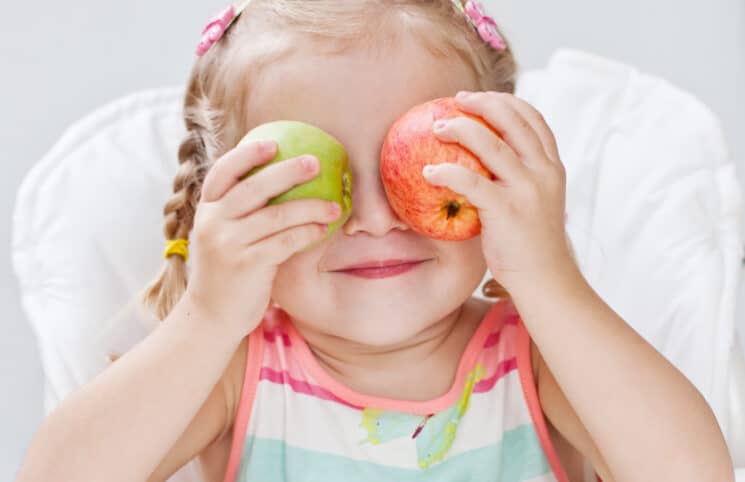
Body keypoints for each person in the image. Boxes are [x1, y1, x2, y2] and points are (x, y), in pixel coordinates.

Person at [15, 1, 734, 481]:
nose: (373, 219)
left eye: (412, 169)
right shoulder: (237, 371)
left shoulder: (538, 361)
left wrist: (548, 279)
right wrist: (208, 317)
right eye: (318, 180)